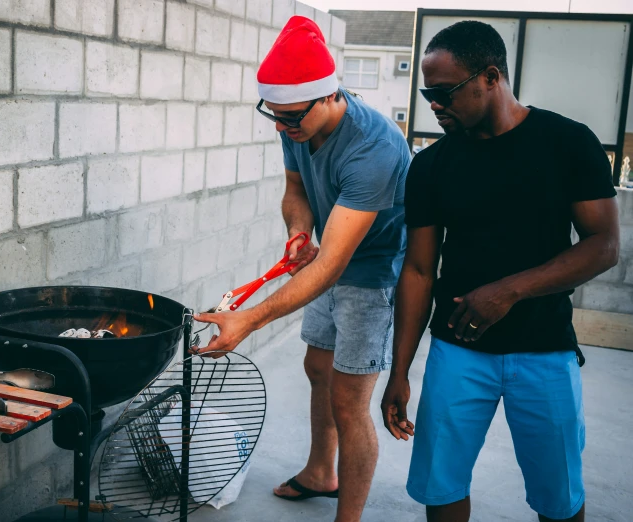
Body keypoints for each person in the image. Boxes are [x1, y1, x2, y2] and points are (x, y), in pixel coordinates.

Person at [380, 21, 620, 522]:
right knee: (440, 488)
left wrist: (508, 291)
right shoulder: (431, 166)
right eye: (427, 93)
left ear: (491, 77)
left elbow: (603, 246)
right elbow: (420, 270)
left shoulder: (568, 143)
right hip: (456, 353)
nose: (434, 104)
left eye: (443, 92)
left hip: (545, 351)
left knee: (560, 498)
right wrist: (400, 370)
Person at [192, 15, 410, 522]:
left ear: (330, 95)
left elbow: (334, 265)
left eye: (291, 118)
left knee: (350, 399)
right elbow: (296, 191)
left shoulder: (372, 147)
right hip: (331, 262)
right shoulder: (295, 120)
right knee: (318, 369)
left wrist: (249, 319)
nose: (283, 127)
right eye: (275, 116)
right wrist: (298, 232)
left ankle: (348, 517)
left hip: (371, 272)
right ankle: (320, 472)